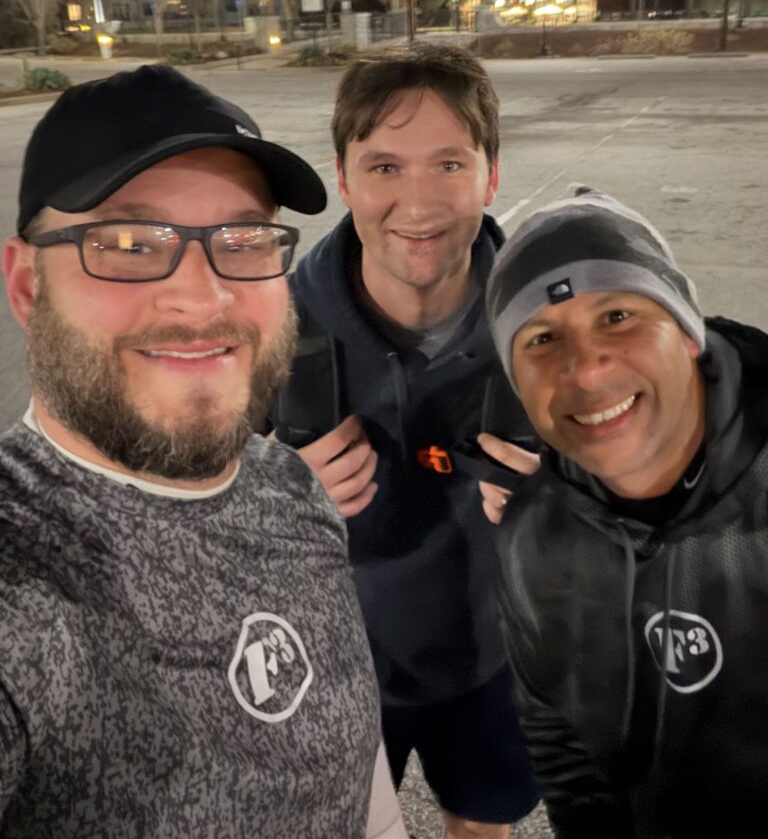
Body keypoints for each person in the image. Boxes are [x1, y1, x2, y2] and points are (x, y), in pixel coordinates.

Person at [0, 65, 402, 838]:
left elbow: (354, 771)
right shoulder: (20, 578)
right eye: (128, 242)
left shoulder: (291, 486)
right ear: (26, 285)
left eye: (243, 239)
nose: (202, 296)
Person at [271, 44, 539, 839]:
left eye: (448, 163)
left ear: (491, 175)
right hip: (331, 670)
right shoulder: (267, 326)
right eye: (385, 167)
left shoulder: (553, 328)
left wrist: (572, 497)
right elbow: (178, 515)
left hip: (496, 659)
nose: (417, 204)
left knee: (482, 826)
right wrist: (274, 489)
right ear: (344, 179)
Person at [481, 185, 768, 839]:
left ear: (688, 332)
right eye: (542, 338)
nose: (585, 369)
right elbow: (562, 744)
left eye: (617, 316)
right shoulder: (533, 537)